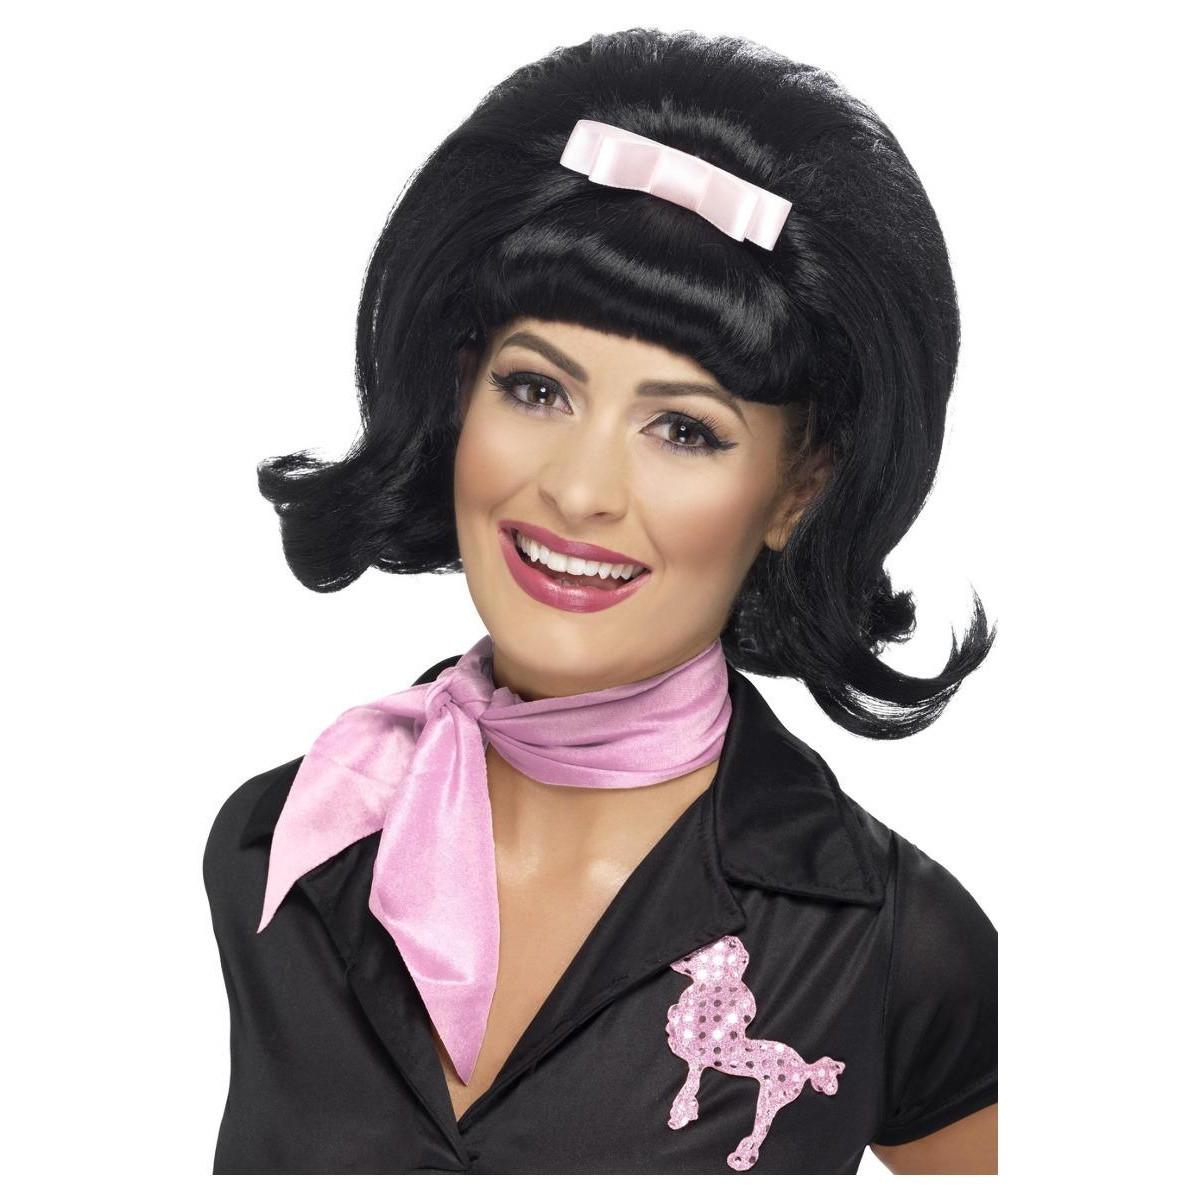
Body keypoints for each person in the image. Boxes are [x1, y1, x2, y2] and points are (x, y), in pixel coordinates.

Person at [204, 28, 998, 1174]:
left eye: (684, 429)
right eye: (536, 389)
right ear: (462, 394)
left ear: (799, 491)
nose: (578, 490)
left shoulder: (896, 947)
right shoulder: (281, 846)